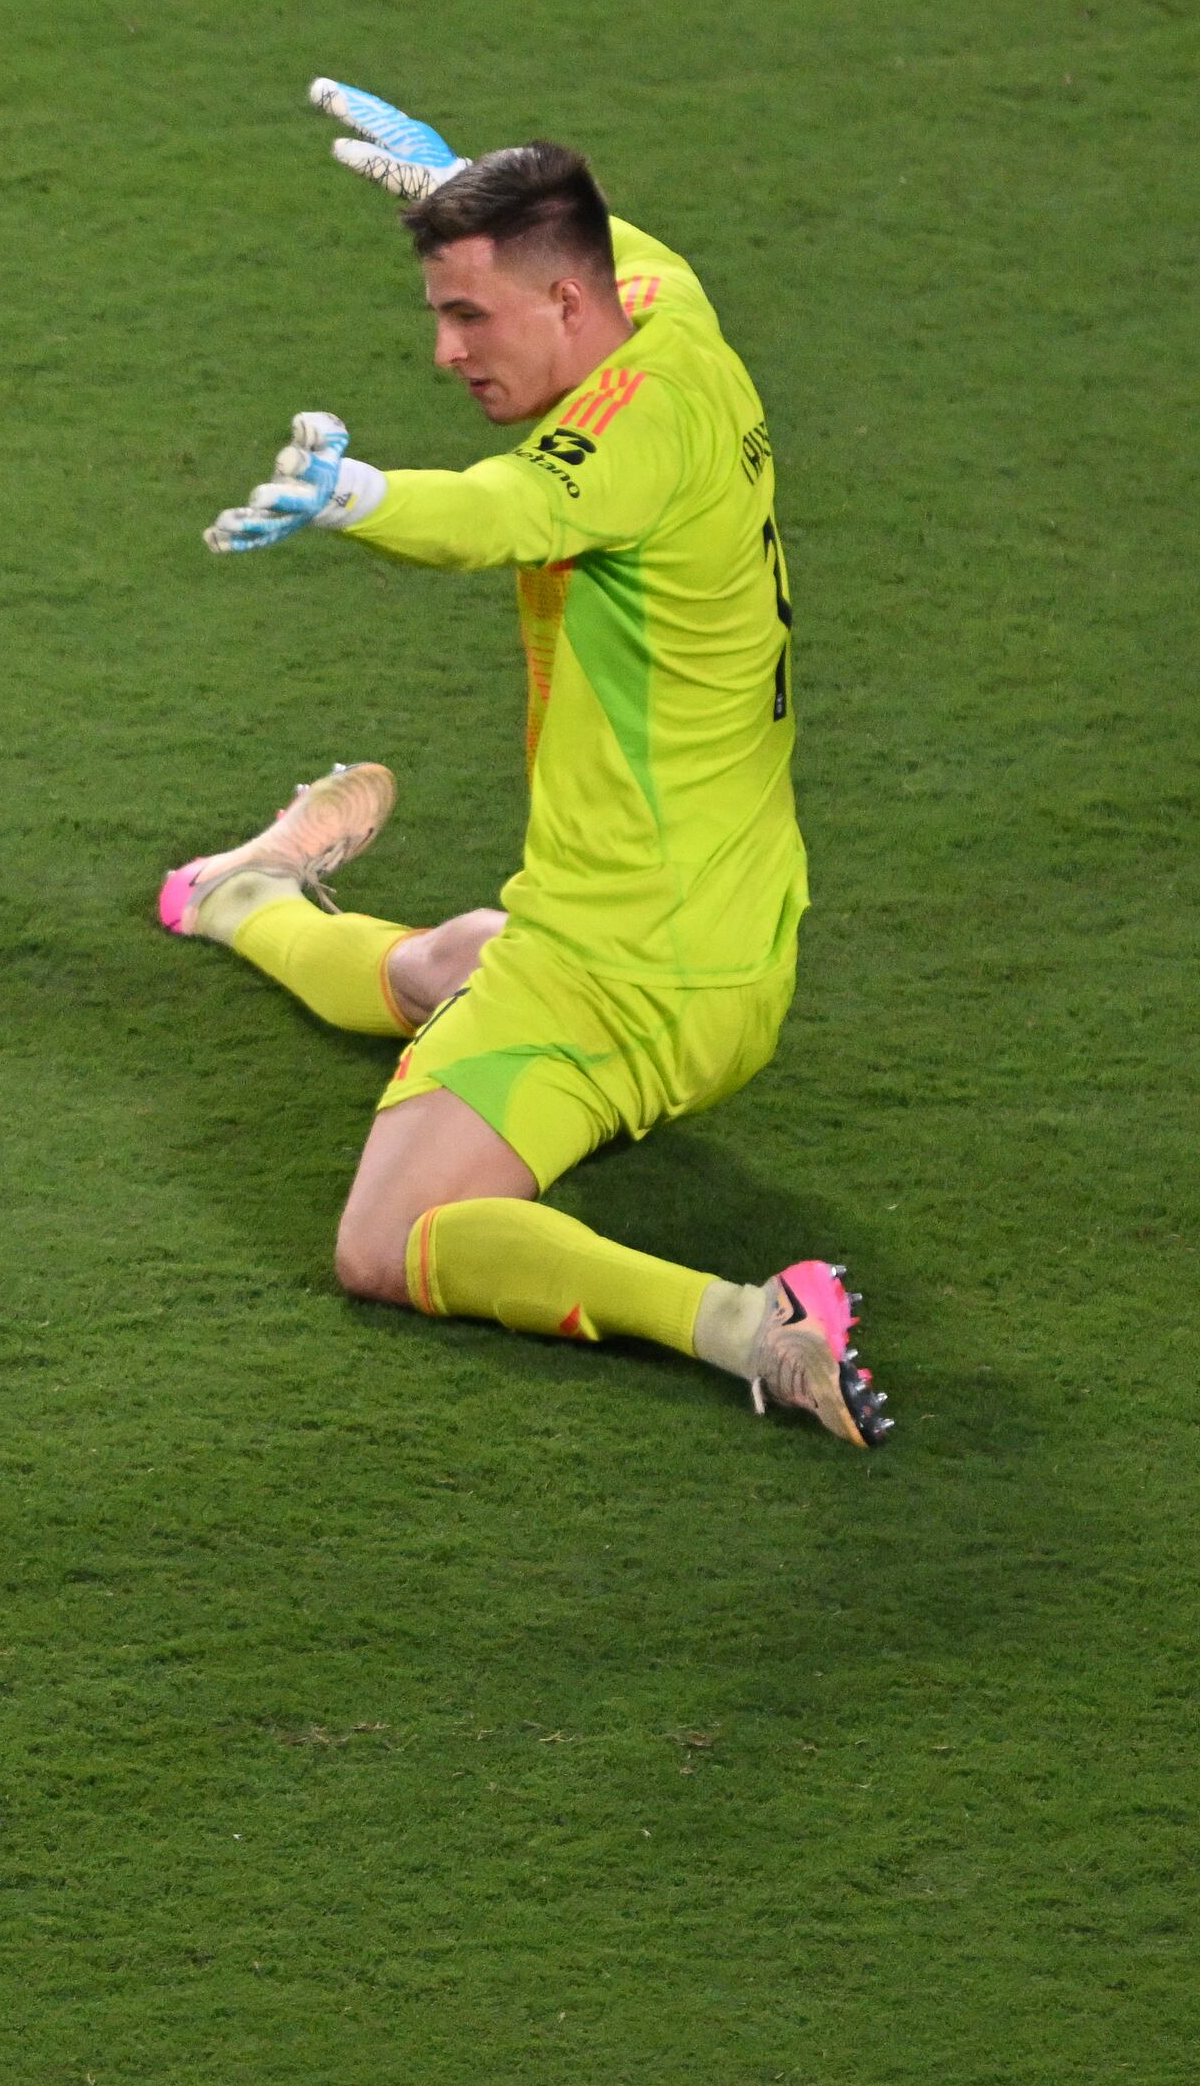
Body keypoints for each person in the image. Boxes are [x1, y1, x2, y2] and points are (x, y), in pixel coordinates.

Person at [168, 86, 888, 1449]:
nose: (443, 350)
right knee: (458, 968)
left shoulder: (627, 441)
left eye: (466, 315)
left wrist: (359, 497)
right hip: (735, 948)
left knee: (384, 1238)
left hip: (621, 972)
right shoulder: (669, 312)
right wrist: (448, 178)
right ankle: (240, 893)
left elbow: (510, 506)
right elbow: (629, 252)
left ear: (565, 304)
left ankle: (747, 1323)